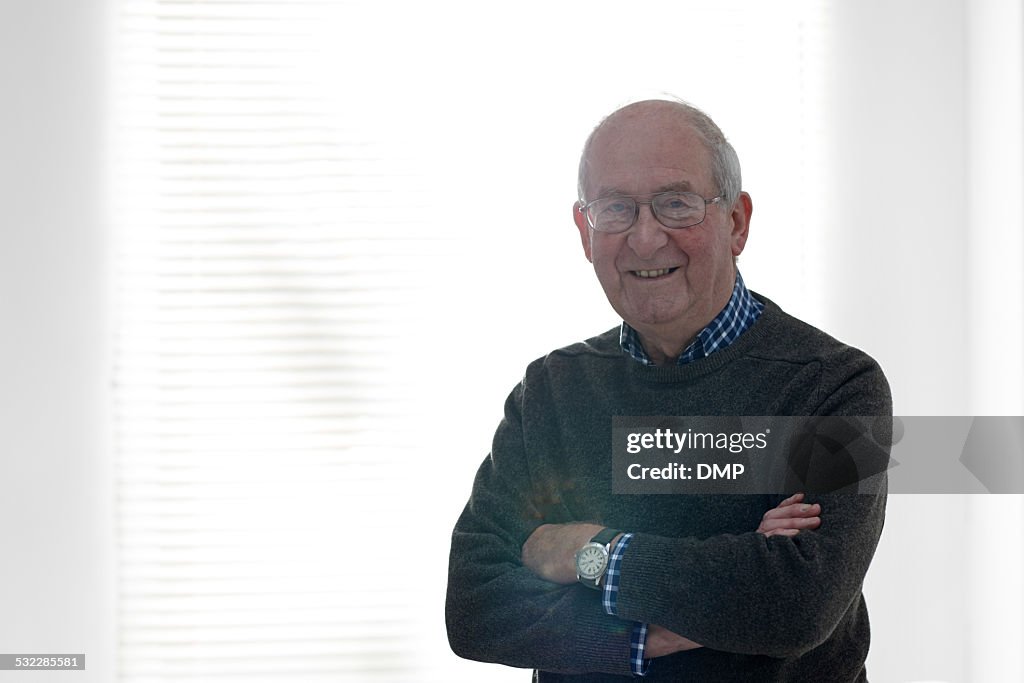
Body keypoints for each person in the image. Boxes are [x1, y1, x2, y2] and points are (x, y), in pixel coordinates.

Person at [445, 99, 890, 681]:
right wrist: (645, 636)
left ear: (737, 222)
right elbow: (476, 608)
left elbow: (795, 606)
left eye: (676, 204)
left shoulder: (837, 386)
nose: (646, 238)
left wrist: (587, 549)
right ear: (585, 231)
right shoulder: (550, 392)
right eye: (616, 209)